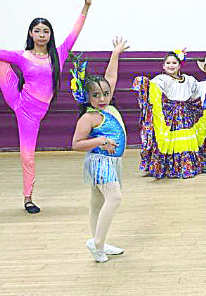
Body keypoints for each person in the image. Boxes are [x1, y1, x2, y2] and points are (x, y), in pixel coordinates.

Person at [0, 0, 95, 213]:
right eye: (37, 30)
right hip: (20, 101)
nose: (42, 34)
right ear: (31, 34)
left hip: (35, 113)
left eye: (45, 31)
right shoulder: (23, 56)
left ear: (50, 35)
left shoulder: (58, 54)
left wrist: (86, 6)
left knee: (28, 155)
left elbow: (74, 32)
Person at [70, 37, 130, 263]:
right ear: (86, 97)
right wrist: (100, 140)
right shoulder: (89, 117)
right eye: (96, 95)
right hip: (100, 162)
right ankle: (96, 244)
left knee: (96, 203)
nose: (102, 98)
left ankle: (100, 243)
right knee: (114, 198)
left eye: (105, 93)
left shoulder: (108, 105)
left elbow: (111, 77)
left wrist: (115, 53)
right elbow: (76, 144)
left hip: (112, 161)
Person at [132, 50, 206, 178]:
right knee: (170, 138)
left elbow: (198, 92)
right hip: (171, 115)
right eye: (168, 63)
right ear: (163, 66)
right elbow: (153, 89)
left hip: (186, 114)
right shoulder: (161, 79)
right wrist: (144, 83)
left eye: (174, 63)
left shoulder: (189, 80)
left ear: (180, 65)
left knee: (186, 137)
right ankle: (169, 167)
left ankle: (186, 166)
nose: (171, 65)